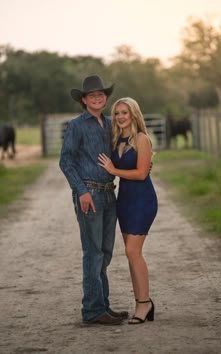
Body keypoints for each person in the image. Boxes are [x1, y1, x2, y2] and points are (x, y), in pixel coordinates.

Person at [59, 75, 128, 326]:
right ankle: (92, 310)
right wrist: (82, 191)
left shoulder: (111, 124)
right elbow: (65, 161)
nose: (98, 98)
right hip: (90, 193)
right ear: (84, 100)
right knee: (93, 253)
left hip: (110, 192)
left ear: (105, 98)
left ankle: (103, 306)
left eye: (101, 94)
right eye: (92, 95)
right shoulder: (77, 125)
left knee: (106, 253)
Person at [98, 97, 158, 325]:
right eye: (117, 113)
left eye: (125, 112)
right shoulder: (115, 140)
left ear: (134, 114)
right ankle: (143, 302)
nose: (120, 117)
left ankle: (144, 304)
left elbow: (142, 174)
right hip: (123, 200)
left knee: (134, 252)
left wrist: (114, 169)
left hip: (142, 200)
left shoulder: (142, 139)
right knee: (130, 253)